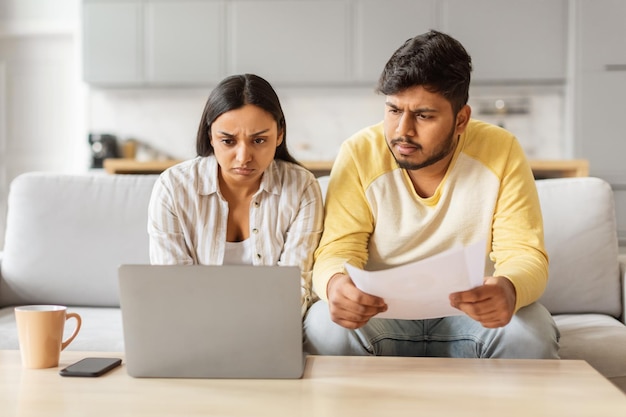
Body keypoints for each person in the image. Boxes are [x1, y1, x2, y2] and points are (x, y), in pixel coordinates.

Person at [303, 30, 560, 358]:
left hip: (471, 315)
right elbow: (337, 250)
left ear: (461, 120)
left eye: (423, 115)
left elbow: (524, 252)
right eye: (394, 111)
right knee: (325, 328)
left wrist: (509, 288)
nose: (402, 131)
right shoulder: (358, 153)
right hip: (381, 314)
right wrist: (335, 285)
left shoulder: (502, 150)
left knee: (531, 336)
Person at [148, 73, 324, 316]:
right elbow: (173, 287)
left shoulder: (302, 187)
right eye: (228, 141)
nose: (244, 157)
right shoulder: (173, 188)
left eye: (259, 140)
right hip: (195, 324)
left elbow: (295, 286)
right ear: (210, 136)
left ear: (280, 134)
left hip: (273, 324)